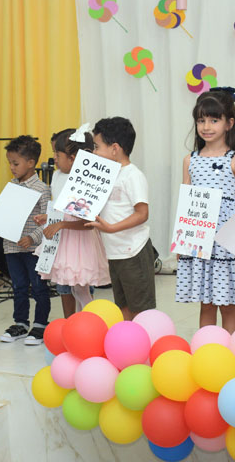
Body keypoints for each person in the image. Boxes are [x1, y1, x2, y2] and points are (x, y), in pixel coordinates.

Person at [174, 90, 235, 333]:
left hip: (227, 241)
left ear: (229, 123)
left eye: (214, 120)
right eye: (201, 120)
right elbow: (187, 204)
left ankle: (231, 349)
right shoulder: (190, 160)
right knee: (206, 303)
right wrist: (182, 242)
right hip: (200, 241)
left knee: (228, 304)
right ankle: (206, 348)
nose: (206, 126)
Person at [34, 126, 109, 317]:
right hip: (65, 241)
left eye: (57, 155)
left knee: (81, 288)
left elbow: (86, 223)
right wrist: (48, 217)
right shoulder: (58, 176)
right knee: (75, 289)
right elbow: (61, 209)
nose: (54, 159)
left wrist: (61, 224)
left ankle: (91, 320)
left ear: (73, 158)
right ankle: (81, 322)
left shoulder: (86, 181)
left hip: (79, 243)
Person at [86, 117, 156, 321]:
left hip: (133, 251)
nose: (94, 153)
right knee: (122, 305)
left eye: (97, 147)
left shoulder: (132, 175)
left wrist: (111, 228)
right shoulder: (106, 175)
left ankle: (143, 339)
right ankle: (126, 339)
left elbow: (142, 213)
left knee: (140, 308)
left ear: (114, 148)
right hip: (114, 252)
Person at [0, 135, 51, 345]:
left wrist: (32, 237)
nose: (11, 167)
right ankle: (21, 323)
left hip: (33, 249)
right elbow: (4, 214)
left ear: (31, 163)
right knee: (18, 287)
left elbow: (48, 221)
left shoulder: (42, 189)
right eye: (10, 163)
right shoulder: (11, 186)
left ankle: (40, 324)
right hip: (11, 247)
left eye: (15, 163)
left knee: (39, 287)